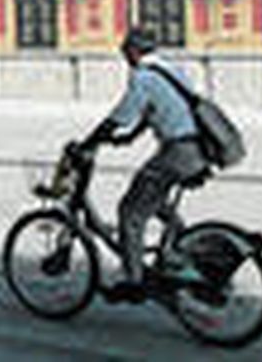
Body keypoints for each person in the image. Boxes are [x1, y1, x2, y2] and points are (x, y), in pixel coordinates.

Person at [75, 27, 208, 304]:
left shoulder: (143, 77)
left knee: (130, 213)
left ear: (134, 51)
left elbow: (121, 115)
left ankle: (134, 281)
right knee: (154, 200)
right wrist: (130, 138)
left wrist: (89, 142)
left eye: (125, 51)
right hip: (198, 148)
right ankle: (176, 246)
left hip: (176, 152)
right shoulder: (172, 70)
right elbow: (156, 110)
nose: (125, 57)